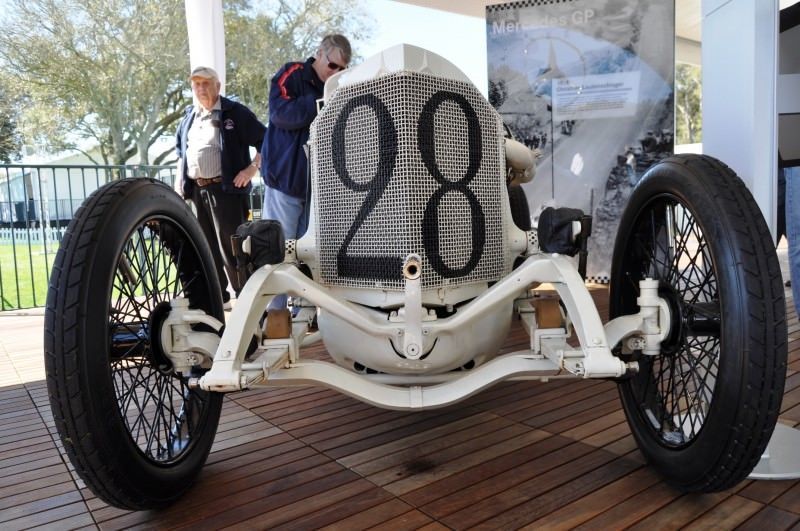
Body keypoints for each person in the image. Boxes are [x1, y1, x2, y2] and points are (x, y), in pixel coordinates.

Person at [261, 34, 351, 310]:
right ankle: (273, 315)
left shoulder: (340, 88)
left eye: (341, 69)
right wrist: (320, 103)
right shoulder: (293, 73)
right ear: (320, 54)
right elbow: (280, 113)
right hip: (285, 183)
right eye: (332, 65)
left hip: (316, 190)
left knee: (307, 256)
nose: (334, 72)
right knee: (276, 253)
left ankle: (303, 314)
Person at [175, 66, 266, 306]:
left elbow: (266, 141)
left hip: (225, 192)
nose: (201, 88)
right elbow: (180, 155)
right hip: (196, 192)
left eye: (206, 83)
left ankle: (246, 300)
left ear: (218, 86)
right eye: (196, 84)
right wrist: (179, 187)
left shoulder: (234, 112)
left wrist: (251, 169)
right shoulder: (189, 117)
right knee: (204, 249)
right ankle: (217, 300)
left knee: (232, 248)